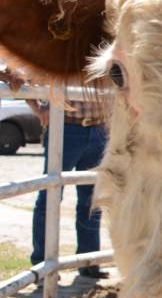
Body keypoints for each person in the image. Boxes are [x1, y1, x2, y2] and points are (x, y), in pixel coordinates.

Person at [1, 64, 109, 279]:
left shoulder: (98, 50)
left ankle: (89, 261)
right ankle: (43, 263)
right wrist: (37, 109)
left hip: (98, 129)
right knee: (51, 195)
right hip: (66, 128)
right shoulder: (60, 52)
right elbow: (17, 73)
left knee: (92, 198)